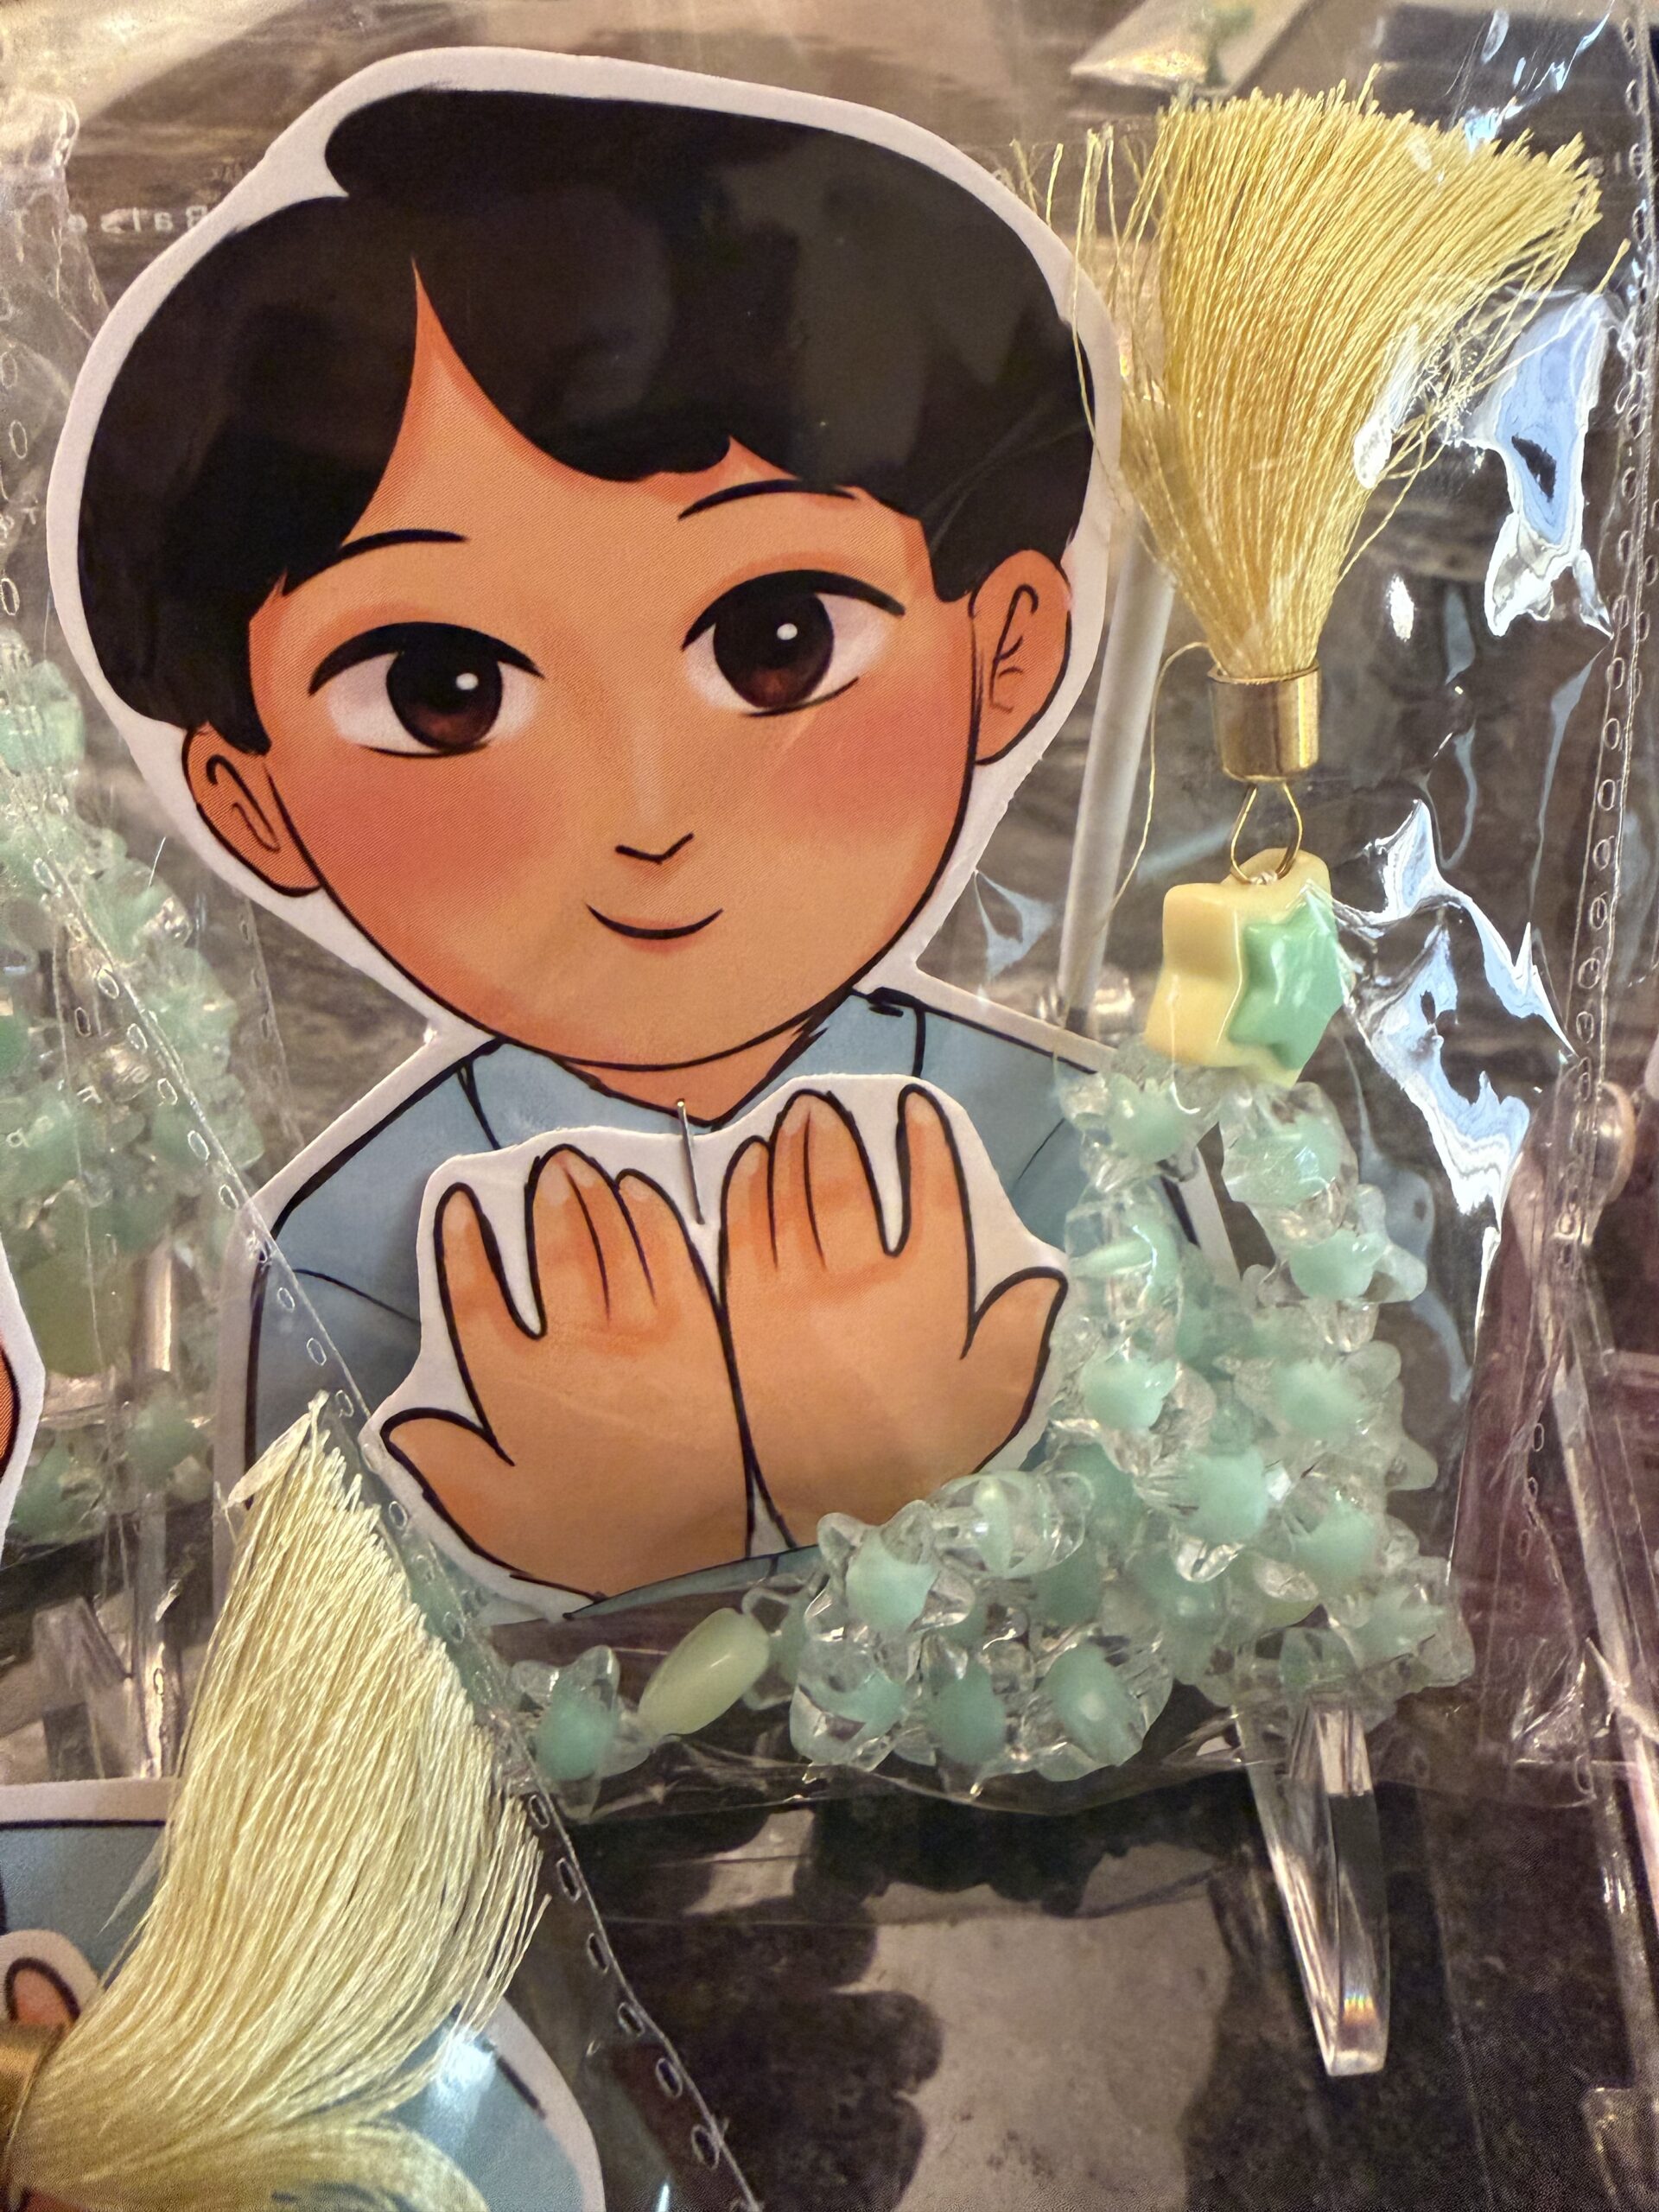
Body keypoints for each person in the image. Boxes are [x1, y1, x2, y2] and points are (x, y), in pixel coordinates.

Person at [62, 67, 1109, 1599]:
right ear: (250, 798)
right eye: (444, 692)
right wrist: (568, 1560)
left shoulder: (1074, 1137)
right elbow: (304, 1649)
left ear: (1007, 645)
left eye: (776, 644)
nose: (644, 809)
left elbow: (1216, 1552)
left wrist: (939, 1469)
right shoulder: (346, 1254)